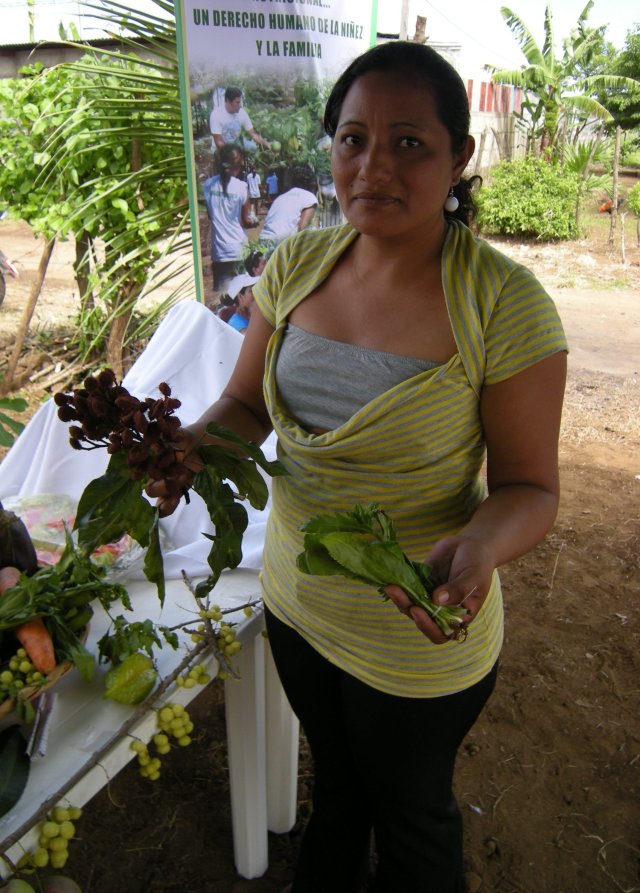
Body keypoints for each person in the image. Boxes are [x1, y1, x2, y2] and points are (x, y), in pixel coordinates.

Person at [150, 41, 567, 893]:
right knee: (338, 793)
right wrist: (191, 445)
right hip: (300, 606)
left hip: (417, 629)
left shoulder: (503, 304)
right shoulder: (299, 263)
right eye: (352, 139)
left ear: (460, 156)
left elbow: (531, 487)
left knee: (412, 819)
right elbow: (246, 406)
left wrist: (482, 545)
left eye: (409, 141)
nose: (374, 165)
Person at [203, 143, 253, 294]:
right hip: (240, 250)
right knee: (242, 297)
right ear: (237, 165)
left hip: (220, 252)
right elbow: (246, 221)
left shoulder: (208, 185)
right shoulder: (241, 187)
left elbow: (211, 215)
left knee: (224, 298)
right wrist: (253, 222)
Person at [259, 163, 318, 247]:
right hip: (280, 243)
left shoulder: (281, 197)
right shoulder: (310, 197)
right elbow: (302, 230)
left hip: (263, 240)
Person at [210, 86, 271, 153]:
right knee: (231, 158)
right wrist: (233, 153)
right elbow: (218, 142)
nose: (240, 105)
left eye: (240, 102)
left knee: (252, 147)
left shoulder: (242, 113)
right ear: (228, 101)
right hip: (221, 147)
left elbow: (253, 134)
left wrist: (266, 144)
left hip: (236, 143)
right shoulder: (216, 114)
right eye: (237, 102)